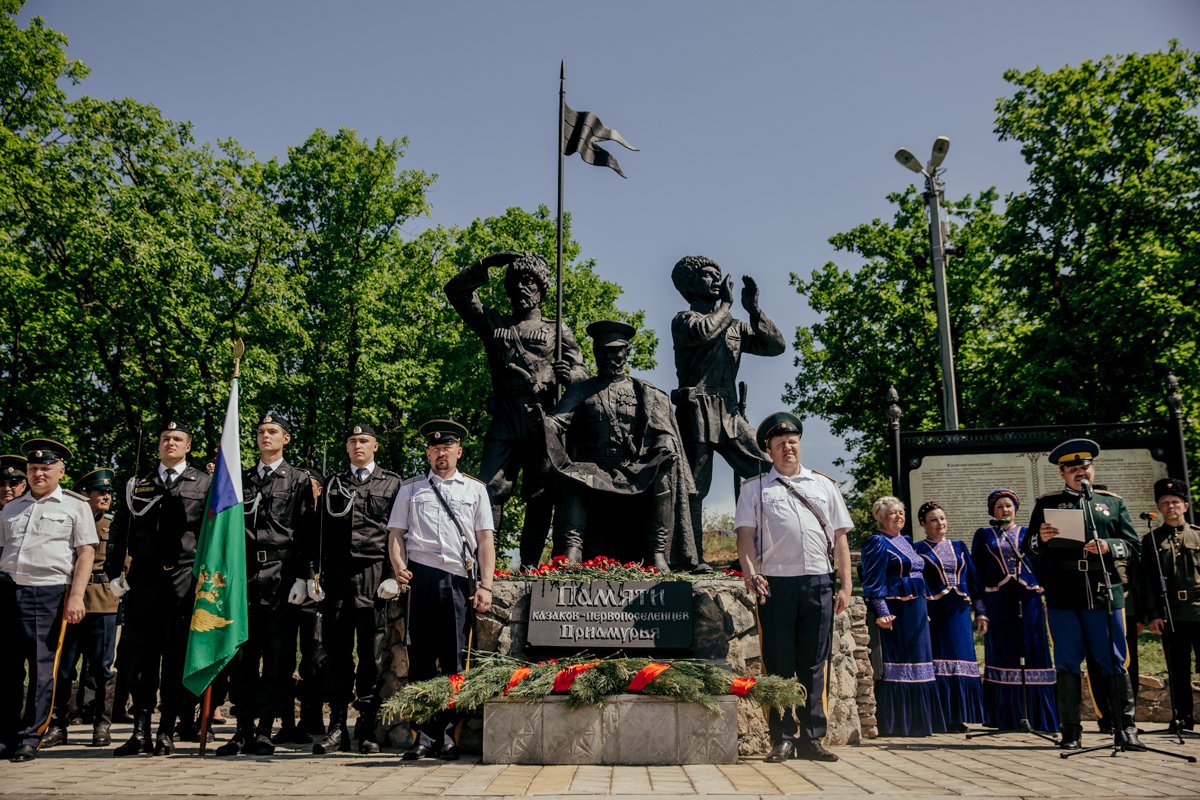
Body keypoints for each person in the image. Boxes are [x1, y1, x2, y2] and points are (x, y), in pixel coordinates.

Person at [445, 251, 588, 568]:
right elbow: (455, 291)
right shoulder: (494, 324)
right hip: (506, 418)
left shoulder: (556, 330)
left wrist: (565, 374)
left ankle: (530, 564)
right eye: (516, 281)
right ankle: (488, 564)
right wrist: (485, 264)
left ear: (541, 288)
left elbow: (582, 375)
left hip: (541, 420)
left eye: (529, 281)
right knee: (489, 489)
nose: (522, 287)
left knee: (539, 494)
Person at [531, 320, 698, 571]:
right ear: (596, 353)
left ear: (626, 352)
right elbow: (557, 422)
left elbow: (663, 432)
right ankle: (572, 550)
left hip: (631, 471)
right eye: (603, 352)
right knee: (573, 475)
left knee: (661, 476)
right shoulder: (580, 390)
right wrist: (541, 422)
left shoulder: (646, 392)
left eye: (616, 351)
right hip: (593, 468)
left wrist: (664, 448)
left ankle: (657, 554)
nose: (610, 357)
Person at [734, 411, 851, 763]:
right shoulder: (754, 488)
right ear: (768, 449)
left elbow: (840, 539)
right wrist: (750, 574)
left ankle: (812, 737)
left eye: (793, 441)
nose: (788, 447)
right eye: (780, 443)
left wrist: (844, 585)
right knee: (780, 662)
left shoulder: (824, 486)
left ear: (800, 444)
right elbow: (745, 538)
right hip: (775, 585)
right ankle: (782, 737)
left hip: (818, 581)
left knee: (815, 663)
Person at [388, 419, 495, 760]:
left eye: (446, 448)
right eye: (435, 448)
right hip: (421, 578)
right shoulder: (411, 489)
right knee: (420, 660)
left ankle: (448, 736)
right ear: (428, 453)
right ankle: (424, 735)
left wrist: (486, 585)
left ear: (458, 452)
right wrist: (399, 567)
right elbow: (396, 535)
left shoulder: (475, 489)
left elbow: (485, 540)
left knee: (453, 660)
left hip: (458, 580)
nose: (441, 453)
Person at [1024, 438, 1141, 750]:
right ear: (1062, 474)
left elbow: (1134, 546)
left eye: (1085, 467)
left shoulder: (1112, 503)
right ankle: (1071, 732)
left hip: (1104, 592)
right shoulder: (1048, 504)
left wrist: (1108, 545)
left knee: (1113, 660)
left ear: (1093, 468)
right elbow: (1029, 549)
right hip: (1064, 593)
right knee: (1067, 662)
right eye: (1073, 469)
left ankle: (1125, 729)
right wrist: (1041, 538)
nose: (1080, 473)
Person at [670, 256, 785, 566]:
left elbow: (775, 345)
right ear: (691, 285)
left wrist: (753, 309)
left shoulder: (733, 326)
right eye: (709, 276)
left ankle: (756, 552)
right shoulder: (684, 320)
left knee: (765, 470)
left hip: (729, 411)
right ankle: (690, 559)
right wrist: (727, 306)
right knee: (695, 486)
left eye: (718, 276)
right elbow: (705, 332)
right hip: (697, 409)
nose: (717, 281)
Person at [107, 421, 212, 757]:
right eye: (166, 438)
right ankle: (139, 731)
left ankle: (167, 729)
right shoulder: (138, 483)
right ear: (158, 445)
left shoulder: (205, 483)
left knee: (175, 654)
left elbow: (213, 533)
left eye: (178, 439)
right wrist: (113, 573)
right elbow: (120, 531)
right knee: (140, 657)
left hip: (183, 577)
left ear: (188, 447)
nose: (171, 442)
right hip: (144, 578)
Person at [216, 414, 316, 756]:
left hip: (281, 573)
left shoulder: (299, 479)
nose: (265, 436)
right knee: (242, 655)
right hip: (243, 576)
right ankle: (242, 728)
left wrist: (304, 576)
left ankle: (264, 729)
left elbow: (306, 533)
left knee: (277, 657)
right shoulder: (238, 480)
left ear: (285, 438)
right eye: (260, 432)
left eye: (272, 431)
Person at [0, 439, 97, 762]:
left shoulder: (74, 505)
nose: (38, 474)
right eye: (33, 469)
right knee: (8, 669)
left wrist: (76, 596)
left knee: (43, 670)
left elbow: (85, 553)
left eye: (45, 468)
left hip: (49, 591)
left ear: (60, 471)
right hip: (8, 590)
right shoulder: (12, 508)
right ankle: (7, 734)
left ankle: (31, 735)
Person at [309, 423, 402, 755]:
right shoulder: (334, 482)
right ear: (346, 447)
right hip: (336, 577)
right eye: (352, 441)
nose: (357, 446)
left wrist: (393, 573)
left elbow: (398, 532)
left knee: (371, 656)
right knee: (335, 655)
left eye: (364, 441)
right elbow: (318, 534)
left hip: (373, 573)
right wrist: (313, 576)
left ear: (375, 446)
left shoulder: (392, 484)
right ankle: (336, 726)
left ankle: (365, 726)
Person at [42, 468, 121, 749]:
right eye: (99, 492)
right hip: (69, 601)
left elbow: (127, 558)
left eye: (109, 492)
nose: (106, 496)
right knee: (63, 668)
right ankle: (58, 724)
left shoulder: (114, 524)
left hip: (103, 602)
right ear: (84, 494)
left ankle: (102, 724)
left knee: (102, 668)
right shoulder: (70, 518)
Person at [970, 488, 1057, 733]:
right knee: (1004, 651)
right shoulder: (984, 535)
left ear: (1015, 509)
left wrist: (1043, 586)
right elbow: (976, 572)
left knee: (1032, 649)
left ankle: (1039, 716)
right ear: (992, 511)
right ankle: (1005, 715)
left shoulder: (1029, 533)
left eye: (1008, 506)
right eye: (999, 507)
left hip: (1027, 598)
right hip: (998, 599)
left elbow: (1043, 561)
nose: (1004, 510)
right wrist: (980, 608)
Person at [861, 496, 946, 737]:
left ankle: (922, 721)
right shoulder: (877, 542)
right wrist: (883, 613)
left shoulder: (907, 541)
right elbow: (873, 581)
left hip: (917, 610)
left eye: (901, 512)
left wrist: (925, 611)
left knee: (921, 662)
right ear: (880, 517)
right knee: (900, 663)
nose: (898, 516)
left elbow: (919, 576)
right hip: (896, 610)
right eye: (892, 513)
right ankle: (899, 722)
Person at [913, 501, 986, 732]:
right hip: (935, 611)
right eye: (934, 520)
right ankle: (940, 715)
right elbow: (918, 580)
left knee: (962, 657)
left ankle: (959, 714)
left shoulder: (959, 546)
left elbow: (974, 581)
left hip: (960, 611)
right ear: (924, 524)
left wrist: (981, 611)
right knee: (939, 658)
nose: (939, 523)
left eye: (942, 518)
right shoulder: (918, 549)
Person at [1140, 477, 1200, 732]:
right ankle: (1181, 718)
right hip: (1171, 613)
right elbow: (1148, 583)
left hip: (1198, 609)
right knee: (1177, 669)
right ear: (1159, 507)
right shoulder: (1152, 540)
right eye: (1165, 503)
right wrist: (1154, 615)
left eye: (1175, 502)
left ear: (1185, 506)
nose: (1171, 507)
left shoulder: (1198, 535)